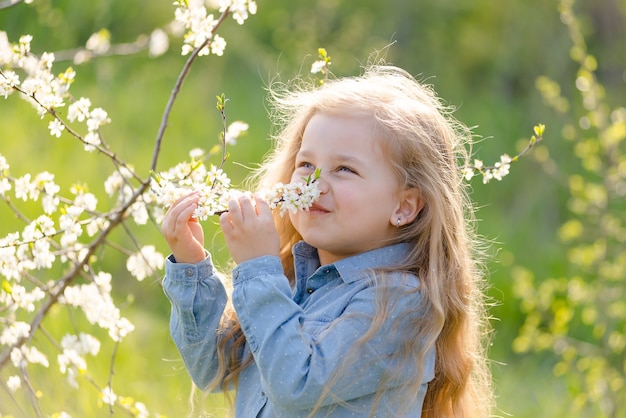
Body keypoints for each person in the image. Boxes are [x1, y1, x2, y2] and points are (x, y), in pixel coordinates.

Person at [161, 64, 493, 417]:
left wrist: (258, 269)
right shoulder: (290, 283)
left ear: (404, 206)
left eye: (345, 169)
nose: (315, 184)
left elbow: (296, 383)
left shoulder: (400, 303)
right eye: (306, 165)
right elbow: (213, 372)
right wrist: (191, 264)